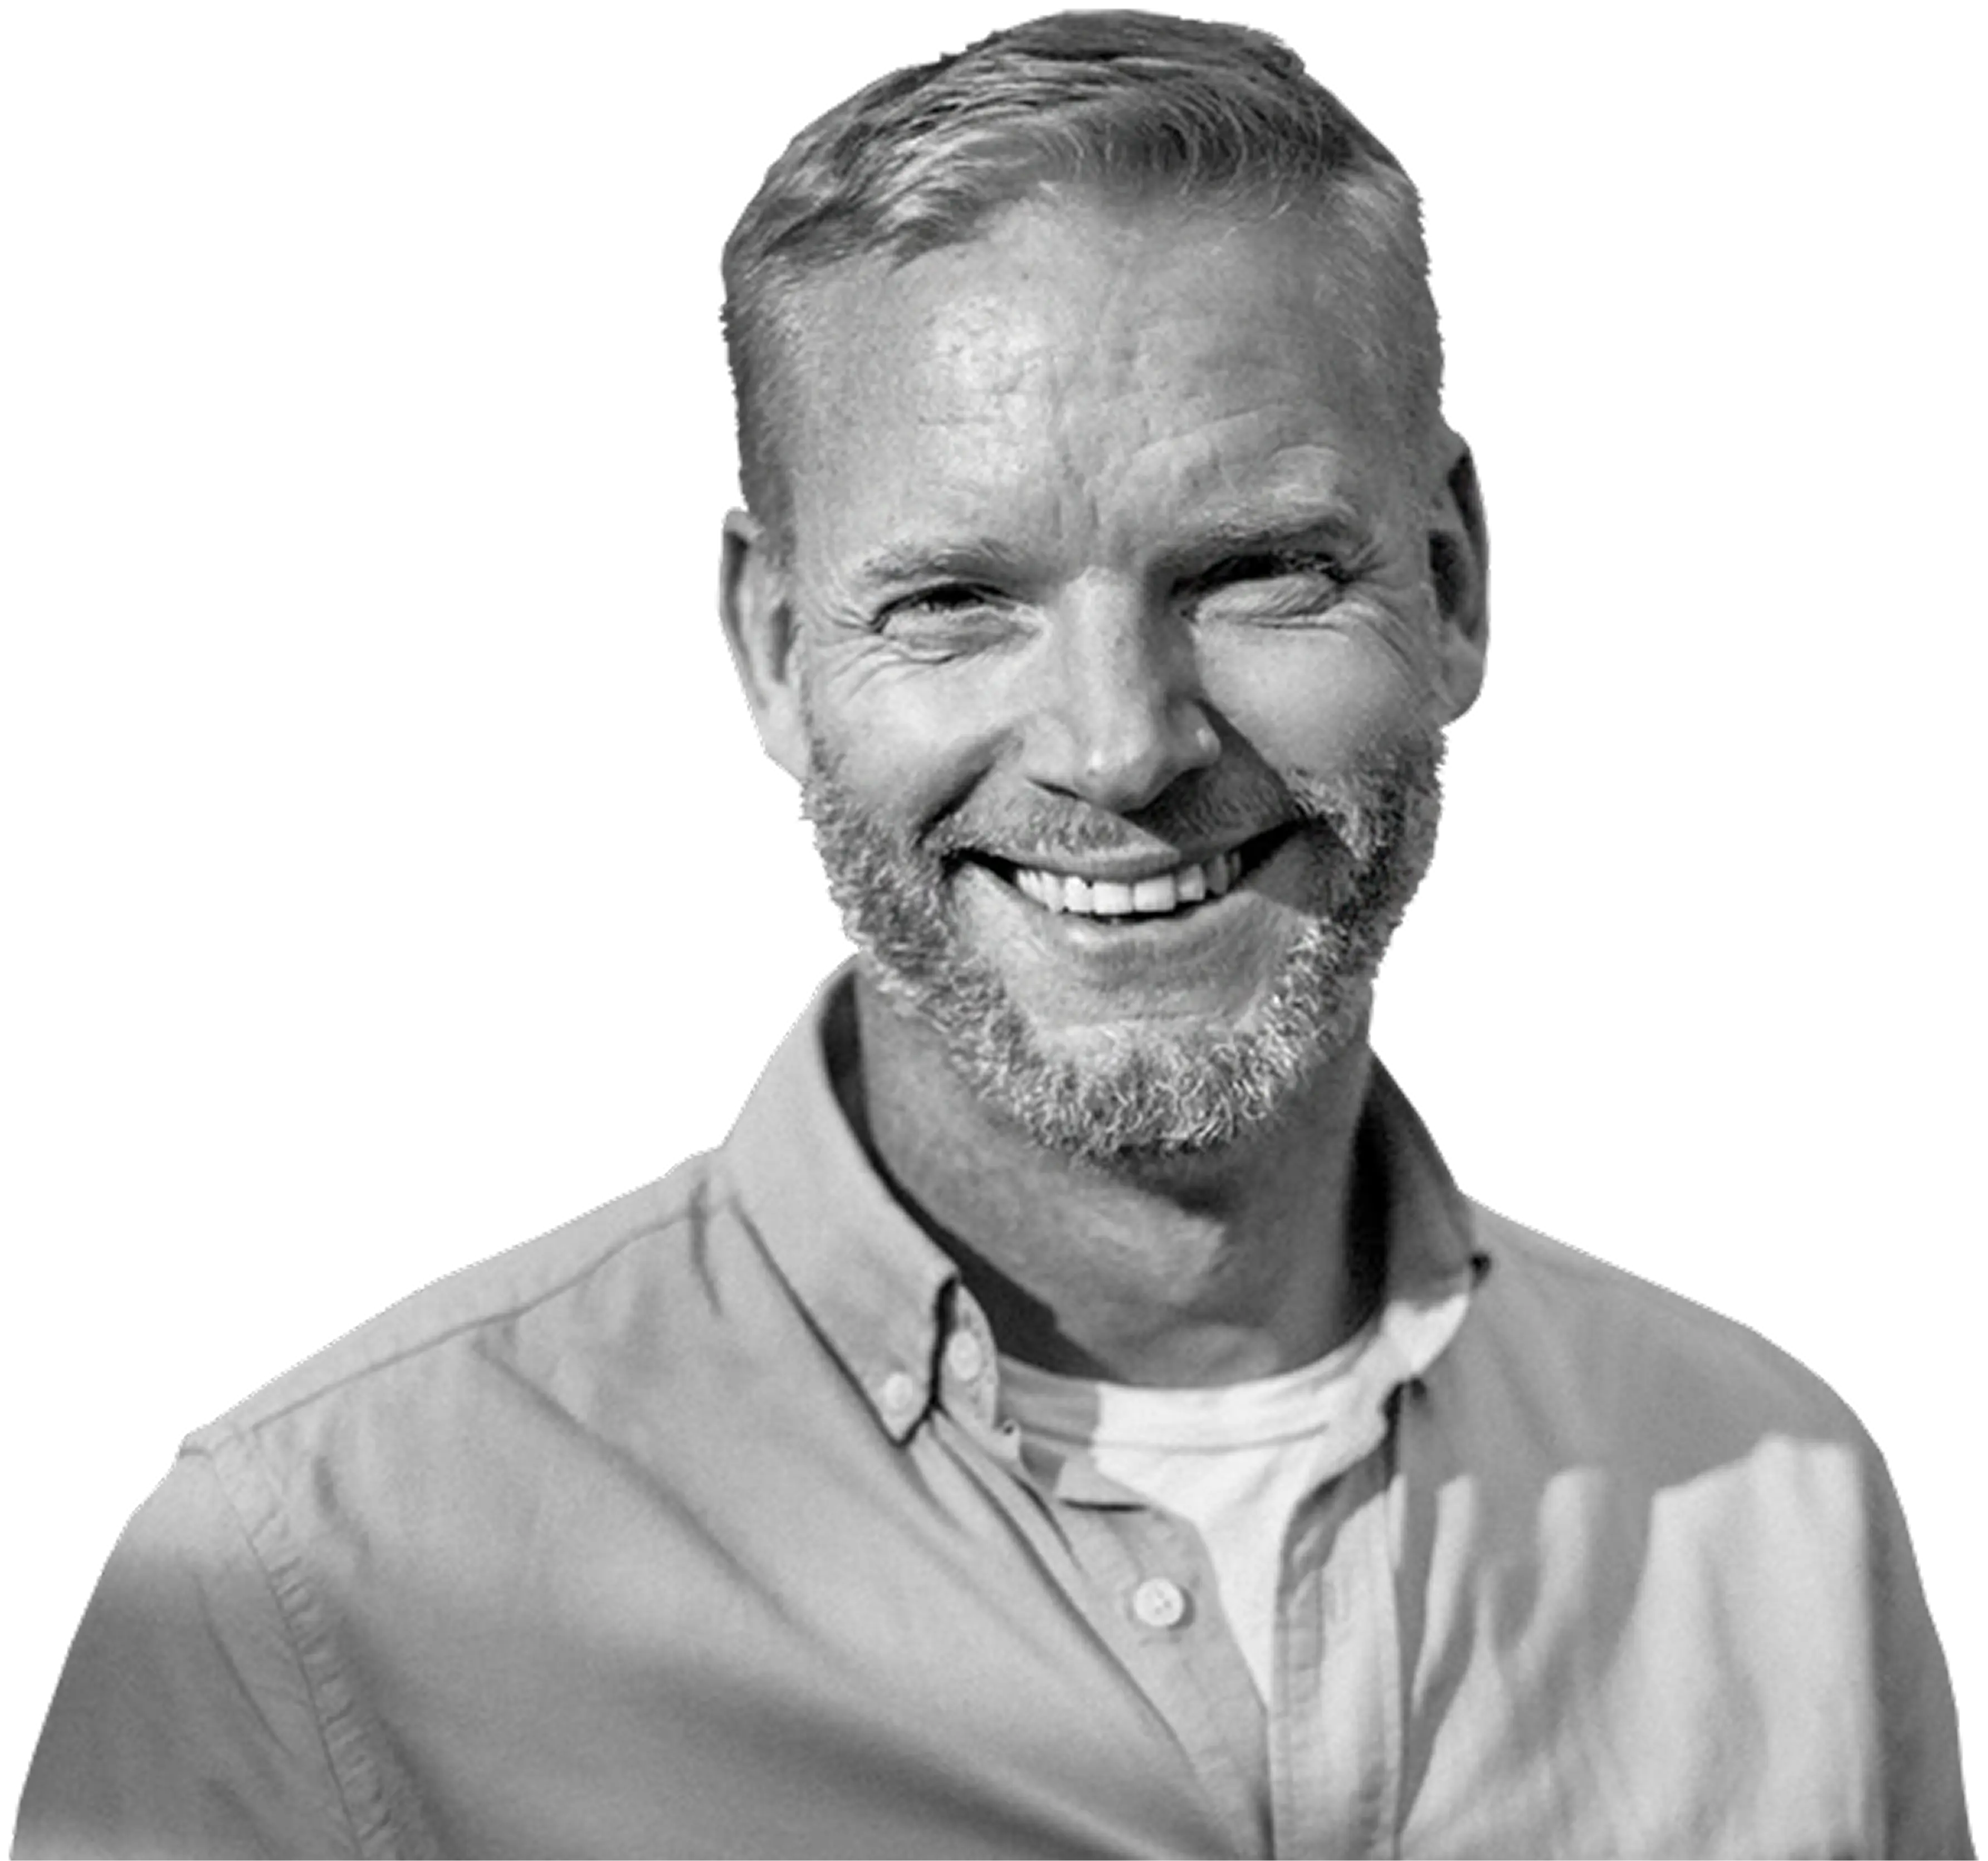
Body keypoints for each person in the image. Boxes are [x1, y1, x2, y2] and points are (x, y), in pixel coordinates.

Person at [17, 12, 1970, 1858]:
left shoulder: (1780, 1509)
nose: (1120, 746)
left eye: (1256, 569)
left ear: (1456, 587)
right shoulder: (307, 1591)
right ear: (771, 653)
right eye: (957, 600)